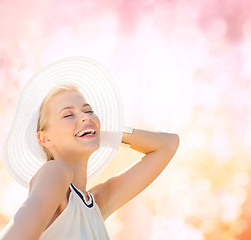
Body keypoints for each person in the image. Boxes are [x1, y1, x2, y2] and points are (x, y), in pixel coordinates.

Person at [0, 56, 179, 240]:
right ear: (45, 138)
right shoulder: (55, 172)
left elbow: (168, 144)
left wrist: (105, 132)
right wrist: (89, 128)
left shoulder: (96, 204)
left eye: (88, 111)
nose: (85, 117)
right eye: (68, 115)